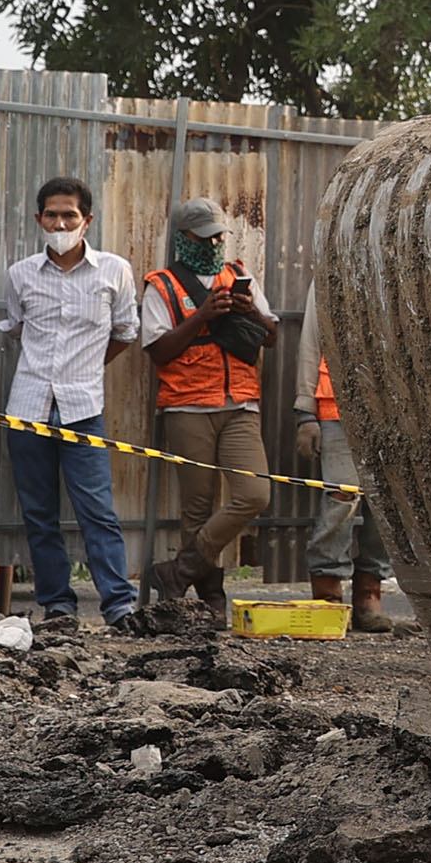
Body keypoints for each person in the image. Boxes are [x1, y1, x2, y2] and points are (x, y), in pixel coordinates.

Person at [0, 174, 158, 634]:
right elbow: (20, 331)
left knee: (98, 511)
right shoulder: (21, 274)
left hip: (83, 409)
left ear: (87, 220)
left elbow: (125, 333)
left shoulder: (114, 271)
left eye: (69, 215)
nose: (60, 222)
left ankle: (118, 607)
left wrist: (84, 369)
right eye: (52, 215)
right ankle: (58, 607)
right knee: (39, 514)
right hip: (27, 410)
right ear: (38, 219)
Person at [138, 198, 276, 627]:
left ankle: (177, 571)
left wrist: (248, 308)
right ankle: (209, 599)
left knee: (255, 494)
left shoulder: (238, 276)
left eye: (219, 234)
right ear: (184, 238)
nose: (215, 242)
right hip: (187, 405)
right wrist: (201, 316)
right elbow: (159, 351)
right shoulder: (160, 285)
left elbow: (270, 336)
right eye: (205, 236)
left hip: (240, 405)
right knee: (195, 509)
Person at [298, 317, 398, 631]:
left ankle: (369, 594)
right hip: (335, 406)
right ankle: (327, 595)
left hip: (391, 405)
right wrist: (304, 412)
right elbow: (310, 345)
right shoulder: (327, 274)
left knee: (385, 503)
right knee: (341, 498)